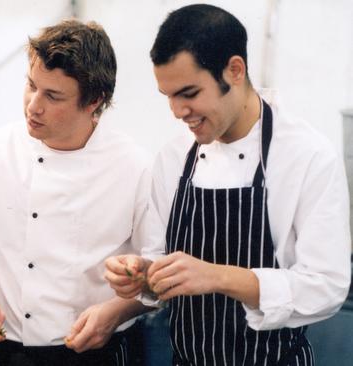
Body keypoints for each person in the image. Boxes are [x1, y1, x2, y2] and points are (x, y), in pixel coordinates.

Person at [105, 4, 351, 366]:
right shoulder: (174, 158)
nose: (177, 111)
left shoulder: (307, 157)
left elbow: (326, 286)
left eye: (189, 93)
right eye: (169, 96)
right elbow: (157, 259)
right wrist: (143, 277)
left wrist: (218, 276)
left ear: (235, 70)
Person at [0, 19, 158, 365]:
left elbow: (159, 273)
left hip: (99, 353)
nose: (33, 105)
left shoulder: (136, 168)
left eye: (52, 96)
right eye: (31, 85)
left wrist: (116, 311)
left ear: (93, 101)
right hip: (10, 353)